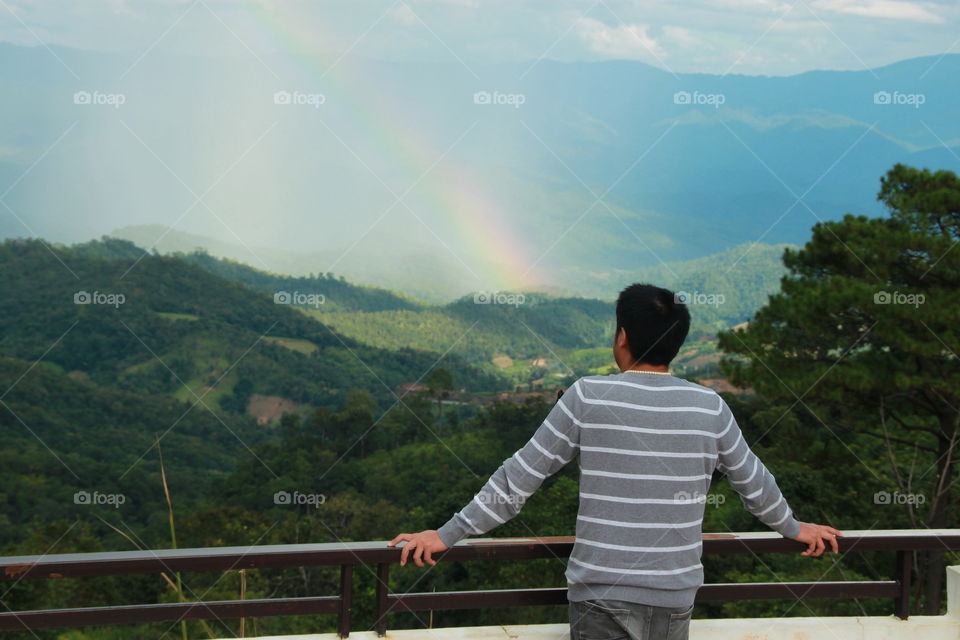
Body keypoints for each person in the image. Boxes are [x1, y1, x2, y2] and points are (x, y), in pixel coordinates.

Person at [389, 283, 842, 640]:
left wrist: (445, 534)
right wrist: (794, 528)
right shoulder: (710, 407)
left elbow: (516, 482)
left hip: (600, 596)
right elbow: (753, 482)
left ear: (622, 337)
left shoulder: (587, 395)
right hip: (674, 597)